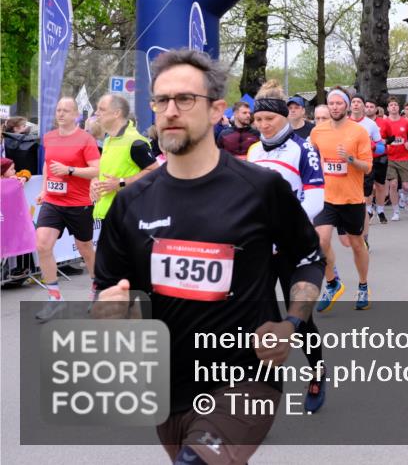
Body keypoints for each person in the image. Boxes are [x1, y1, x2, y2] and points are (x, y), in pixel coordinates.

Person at [94, 49, 325, 464]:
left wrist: (291, 322)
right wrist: (109, 313)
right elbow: (107, 292)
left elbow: (308, 256)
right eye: (161, 100)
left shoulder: (260, 189)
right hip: (168, 389)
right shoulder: (130, 204)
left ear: (217, 110)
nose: (170, 110)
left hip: (245, 380)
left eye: (185, 99)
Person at [247, 79, 329, 412]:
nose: (264, 125)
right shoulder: (253, 151)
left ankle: (318, 372)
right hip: (261, 250)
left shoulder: (304, 148)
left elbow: (315, 198)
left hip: (295, 247)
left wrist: (283, 227)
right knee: (259, 321)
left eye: (270, 119)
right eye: (258, 120)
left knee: (301, 317)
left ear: (285, 116)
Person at [33, 97, 102, 321]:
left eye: (66, 110)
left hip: (79, 203)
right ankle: (54, 298)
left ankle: (97, 288)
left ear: (75, 115)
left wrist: (69, 170)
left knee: (85, 248)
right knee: (42, 244)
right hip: (53, 201)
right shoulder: (49, 137)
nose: (61, 114)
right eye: (58, 110)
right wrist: (44, 189)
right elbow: (47, 164)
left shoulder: (86, 139)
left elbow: (96, 170)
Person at [310, 87, 373, 310]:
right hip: (326, 198)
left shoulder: (358, 132)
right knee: (320, 241)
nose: (335, 107)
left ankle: (363, 286)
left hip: (351, 198)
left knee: (356, 244)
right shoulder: (318, 132)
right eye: (331, 103)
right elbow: (312, 163)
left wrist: (351, 159)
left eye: (339, 103)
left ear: (346, 106)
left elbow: (367, 167)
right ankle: (332, 282)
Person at [91, 94, 157, 224]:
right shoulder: (109, 140)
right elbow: (110, 172)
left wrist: (121, 182)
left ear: (116, 113)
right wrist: (95, 183)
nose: (97, 113)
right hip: (109, 214)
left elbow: (154, 172)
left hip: (129, 215)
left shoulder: (135, 141)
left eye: (102, 109)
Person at [349, 93, 385, 248]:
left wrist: (372, 146)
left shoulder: (371, 125)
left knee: (363, 202)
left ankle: (365, 239)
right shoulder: (342, 123)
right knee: (349, 204)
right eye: (354, 102)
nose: (356, 104)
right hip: (347, 169)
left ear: (364, 106)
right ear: (350, 105)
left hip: (365, 166)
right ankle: (351, 232)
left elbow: (382, 147)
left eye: (359, 102)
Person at [383, 97, 408, 221]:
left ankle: (405, 198)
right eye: (391, 105)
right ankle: (396, 212)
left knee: (406, 186)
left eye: (396, 105)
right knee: (393, 184)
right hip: (390, 157)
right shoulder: (385, 123)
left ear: (398, 107)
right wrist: (386, 143)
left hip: (404, 157)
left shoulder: (405, 122)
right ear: (388, 108)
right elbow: (381, 138)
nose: (394, 107)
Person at [366, 98, 390, 223]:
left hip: (381, 157)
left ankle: (380, 211)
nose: (369, 108)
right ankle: (369, 211)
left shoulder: (384, 122)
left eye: (371, 106)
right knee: (368, 187)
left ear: (376, 109)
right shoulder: (361, 123)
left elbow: (391, 137)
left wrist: (385, 141)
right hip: (365, 158)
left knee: (380, 186)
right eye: (367, 106)